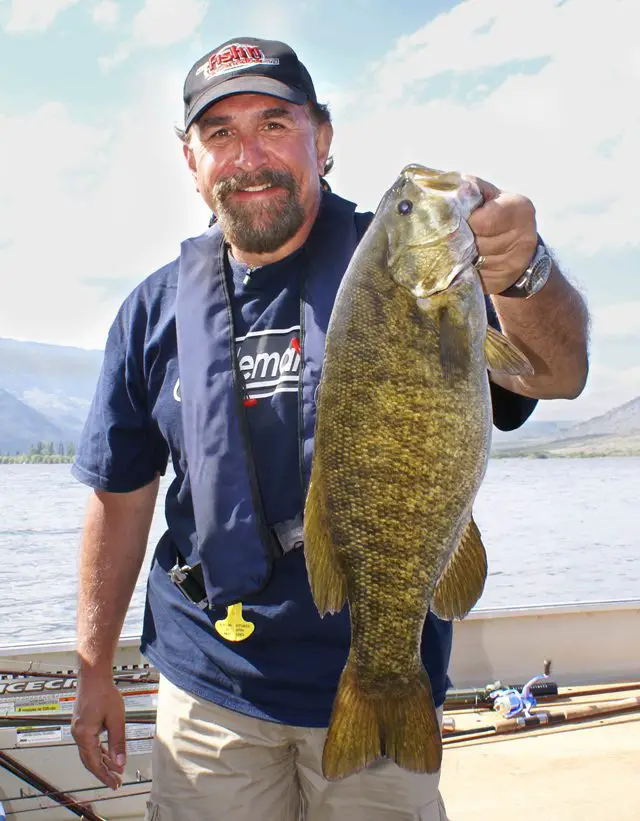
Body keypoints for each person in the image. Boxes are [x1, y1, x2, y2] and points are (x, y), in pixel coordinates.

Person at [70, 36, 589, 821]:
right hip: (208, 688)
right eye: (221, 134)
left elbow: (557, 372)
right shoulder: (153, 310)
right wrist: (93, 668)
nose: (249, 154)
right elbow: (120, 497)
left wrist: (522, 269)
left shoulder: (408, 274)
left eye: (275, 124)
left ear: (325, 136)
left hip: (387, 672)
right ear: (191, 161)